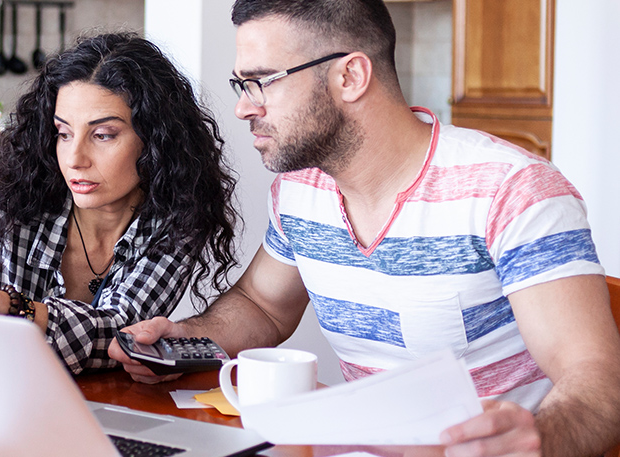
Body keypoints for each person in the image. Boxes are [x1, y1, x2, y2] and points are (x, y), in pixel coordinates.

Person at [107, 1, 620, 455]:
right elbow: (262, 306)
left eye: (262, 82)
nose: (244, 107)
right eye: (242, 85)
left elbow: (598, 382)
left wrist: (540, 440)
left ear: (351, 76)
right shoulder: (301, 190)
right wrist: (187, 336)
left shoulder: (514, 190)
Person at [0, 32, 240, 374]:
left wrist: (5, 307)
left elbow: (122, 337)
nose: (74, 158)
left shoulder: (175, 223)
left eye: (102, 135)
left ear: (155, 141)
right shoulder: (2, 211)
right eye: (63, 133)